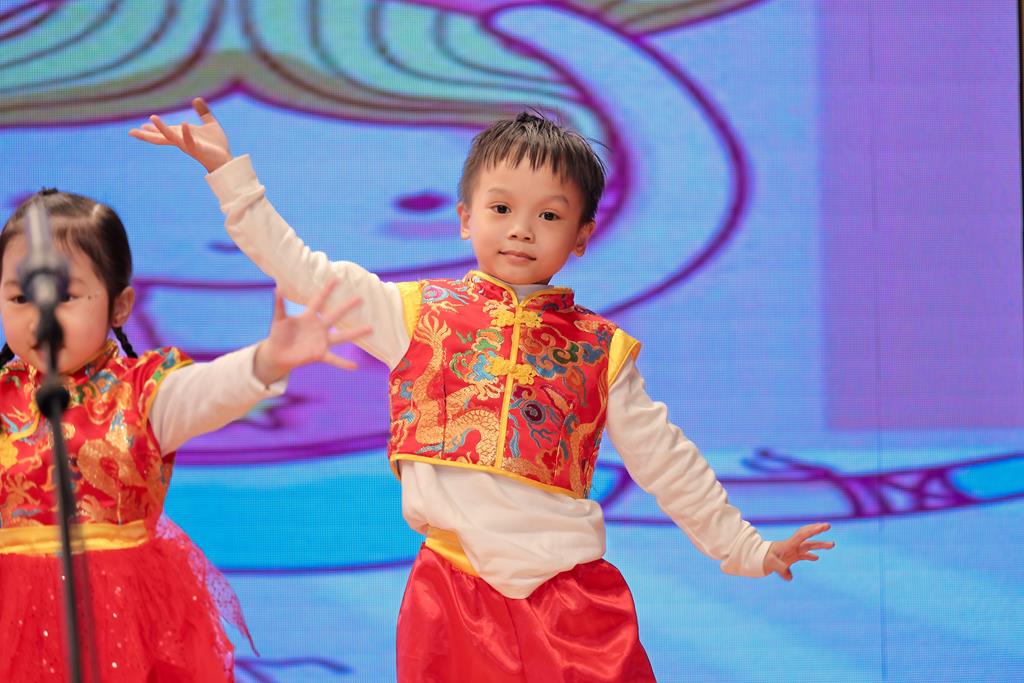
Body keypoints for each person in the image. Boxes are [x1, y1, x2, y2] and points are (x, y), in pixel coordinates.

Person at [132, 99, 834, 682]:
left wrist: (747, 548)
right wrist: (230, 176)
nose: (521, 230)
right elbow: (303, 270)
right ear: (465, 216)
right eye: (501, 207)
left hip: (572, 600)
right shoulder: (413, 315)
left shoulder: (601, 351)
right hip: (452, 593)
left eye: (549, 216)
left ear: (583, 235)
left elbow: (667, 461)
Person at [0, 189, 368, 683]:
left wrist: (267, 361)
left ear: (119, 306)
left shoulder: (144, 391)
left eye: (64, 296)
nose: (39, 315)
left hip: (127, 617)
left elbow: (209, 391)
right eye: (19, 298)